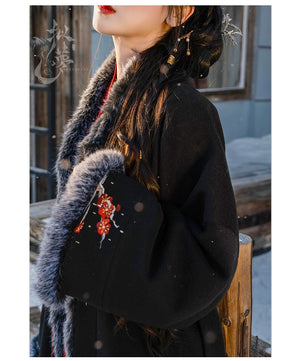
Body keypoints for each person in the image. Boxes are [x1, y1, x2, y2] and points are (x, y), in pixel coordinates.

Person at [31, 5, 240, 357]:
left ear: (178, 13)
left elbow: (208, 260)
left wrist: (101, 210)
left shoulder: (182, 109)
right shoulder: (105, 95)